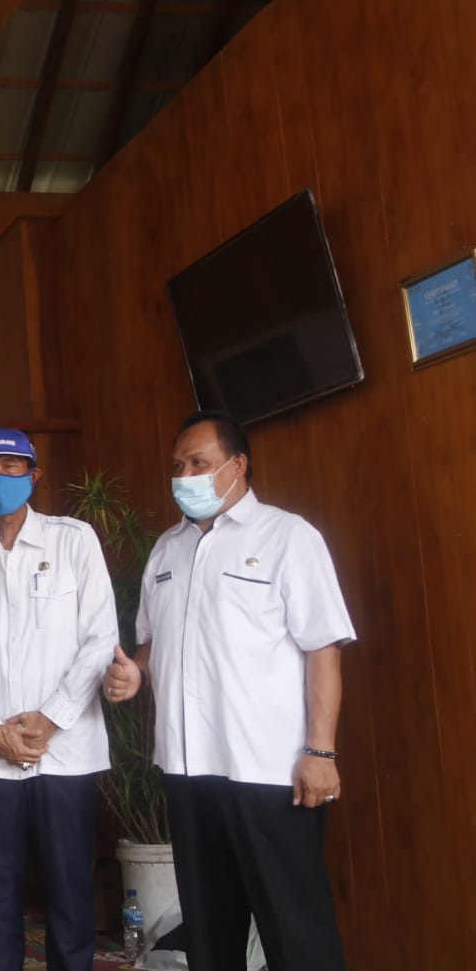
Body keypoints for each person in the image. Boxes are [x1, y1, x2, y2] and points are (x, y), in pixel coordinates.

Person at [104, 411, 353, 971]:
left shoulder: (289, 537)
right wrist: (136, 674)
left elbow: (323, 649)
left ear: (238, 466)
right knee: (210, 938)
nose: (185, 475)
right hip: (190, 774)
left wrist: (320, 751)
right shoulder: (166, 550)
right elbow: (152, 645)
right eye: (177, 465)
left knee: (296, 932)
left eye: (199, 463)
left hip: (270, 774)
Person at [0, 428, 117, 971]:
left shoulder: (74, 539)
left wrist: (50, 719)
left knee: (69, 883)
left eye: (12, 468)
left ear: (34, 475)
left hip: (66, 747)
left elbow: (100, 639)